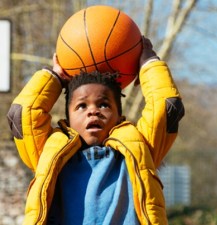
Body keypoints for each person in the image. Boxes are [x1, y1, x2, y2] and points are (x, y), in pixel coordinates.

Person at [7, 37, 184, 225]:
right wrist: (54, 77)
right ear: (68, 118)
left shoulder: (139, 148)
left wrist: (149, 64)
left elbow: (166, 107)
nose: (93, 111)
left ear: (119, 116)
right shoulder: (49, 152)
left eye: (104, 104)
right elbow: (22, 114)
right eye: (82, 106)